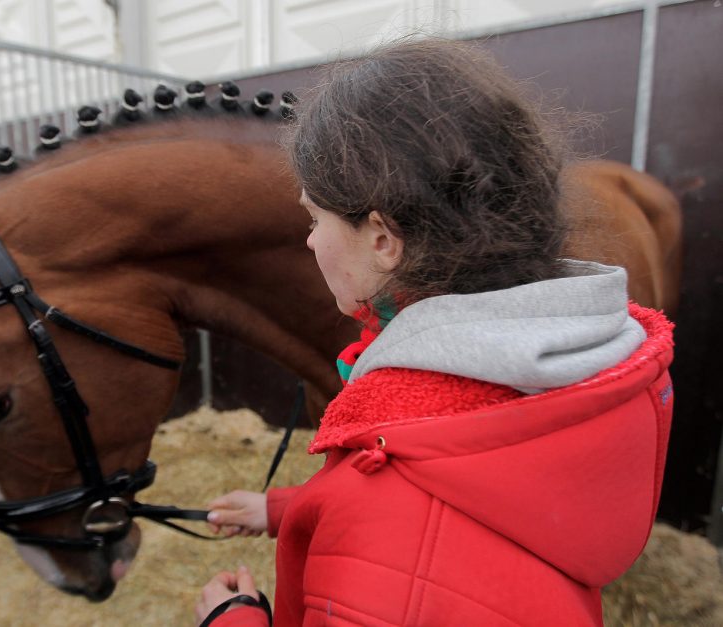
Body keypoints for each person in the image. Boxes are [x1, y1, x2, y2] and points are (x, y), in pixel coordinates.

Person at [193, 37, 674, 626]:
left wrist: (233, 620)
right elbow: (465, 484)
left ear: (383, 239)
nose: (311, 240)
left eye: (315, 217)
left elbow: (400, 534)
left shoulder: (393, 516)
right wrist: (280, 510)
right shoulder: (575, 368)